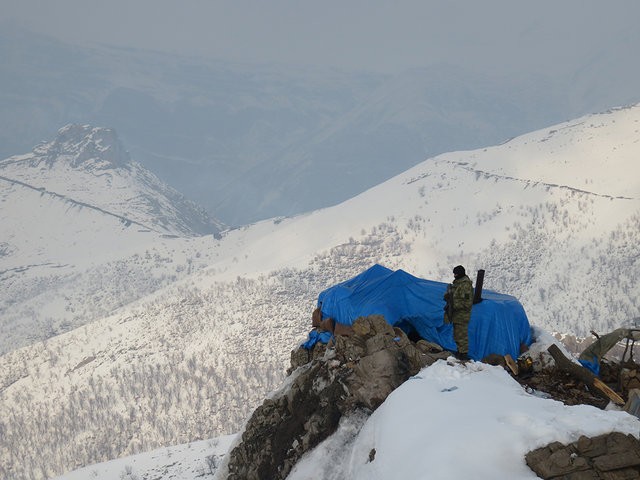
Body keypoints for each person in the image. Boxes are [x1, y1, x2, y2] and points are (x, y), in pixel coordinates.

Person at [443, 265, 474, 360]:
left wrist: (453, 303)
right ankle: (460, 352)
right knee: (457, 335)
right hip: (456, 315)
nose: (454, 275)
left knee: (461, 335)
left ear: (460, 274)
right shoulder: (457, 284)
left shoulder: (465, 285)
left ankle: (463, 354)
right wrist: (447, 297)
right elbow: (453, 296)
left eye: (456, 274)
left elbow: (467, 303)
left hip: (462, 316)